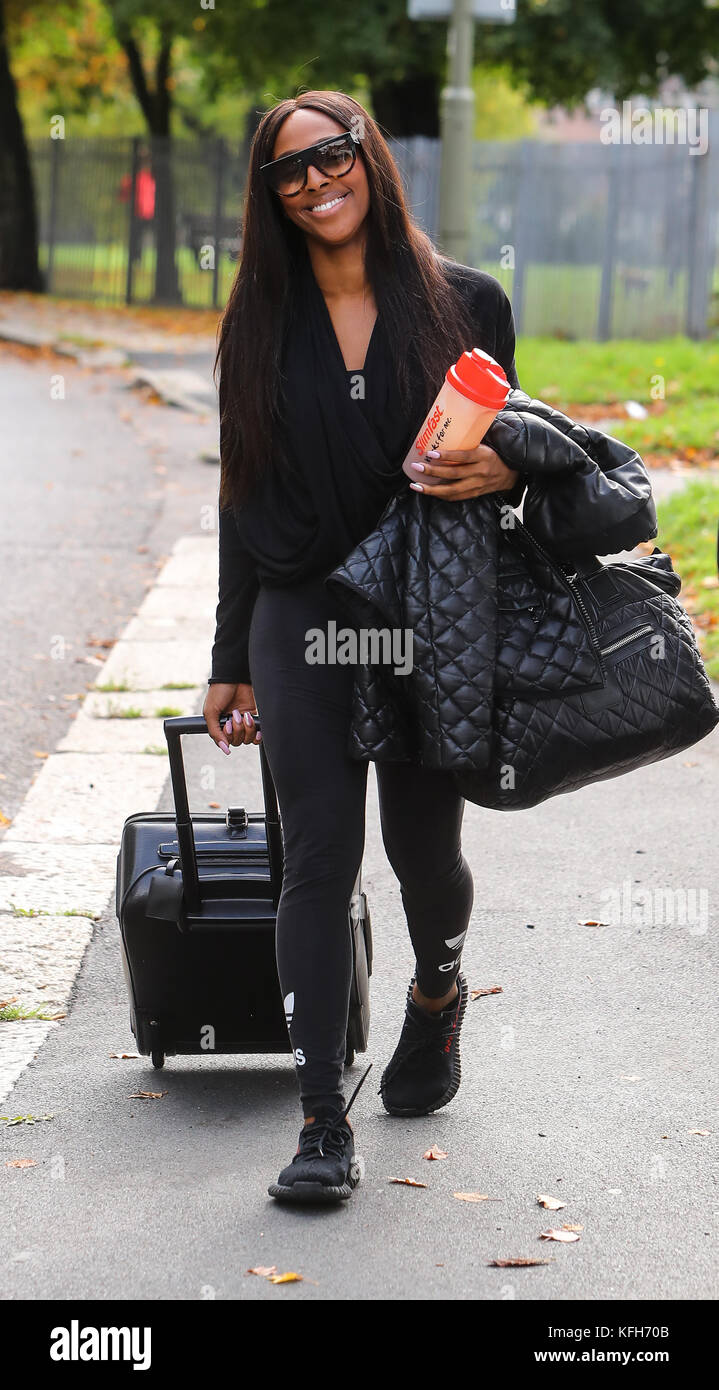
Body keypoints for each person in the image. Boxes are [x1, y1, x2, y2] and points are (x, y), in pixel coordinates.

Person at [203, 90, 524, 1206]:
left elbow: (517, 447)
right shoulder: (255, 320)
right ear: (270, 198)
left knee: (423, 851)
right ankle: (315, 1116)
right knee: (316, 860)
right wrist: (228, 654)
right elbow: (240, 495)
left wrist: (506, 467)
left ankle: (437, 993)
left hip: (423, 611)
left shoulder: (464, 303)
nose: (313, 181)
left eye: (331, 157)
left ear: (368, 161)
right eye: (287, 172)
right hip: (300, 606)